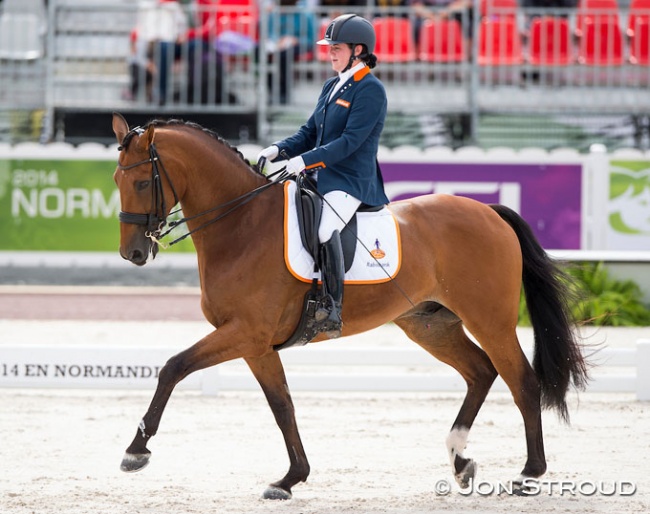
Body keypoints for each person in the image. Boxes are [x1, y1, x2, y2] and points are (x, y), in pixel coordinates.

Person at [257, 13, 390, 338]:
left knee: (326, 227)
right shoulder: (332, 85)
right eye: (329, 47)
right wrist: (278, 150)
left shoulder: (370, 90)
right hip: (321, 176)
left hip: (350, 180)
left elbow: (350, 143)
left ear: (358, 50)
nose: (330, 52)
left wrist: (305, 161)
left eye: (337, 47)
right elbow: (309, 131)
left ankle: (331, 307)